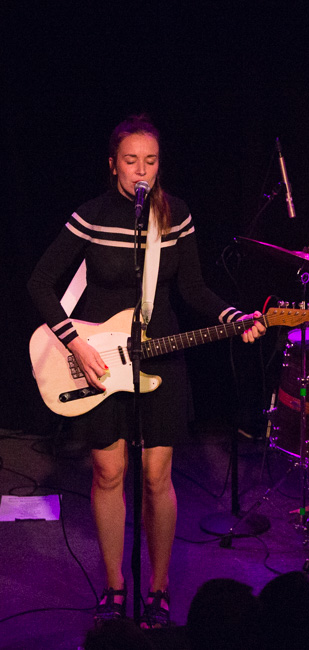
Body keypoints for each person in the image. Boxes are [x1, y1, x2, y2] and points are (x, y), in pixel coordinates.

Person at [26, 115, 266, 628]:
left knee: (158, 478)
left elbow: (195, 288)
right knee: (109, 472)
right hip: (97, 358)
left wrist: (233, 316)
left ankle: (157, 590)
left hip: (161, 356)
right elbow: (41, 282)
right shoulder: (90, 216)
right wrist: (75, 343)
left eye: (151, 161)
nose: (141, 171)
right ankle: (115, 586)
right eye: (131, 160)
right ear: (112, 162)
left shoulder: (174, 215)